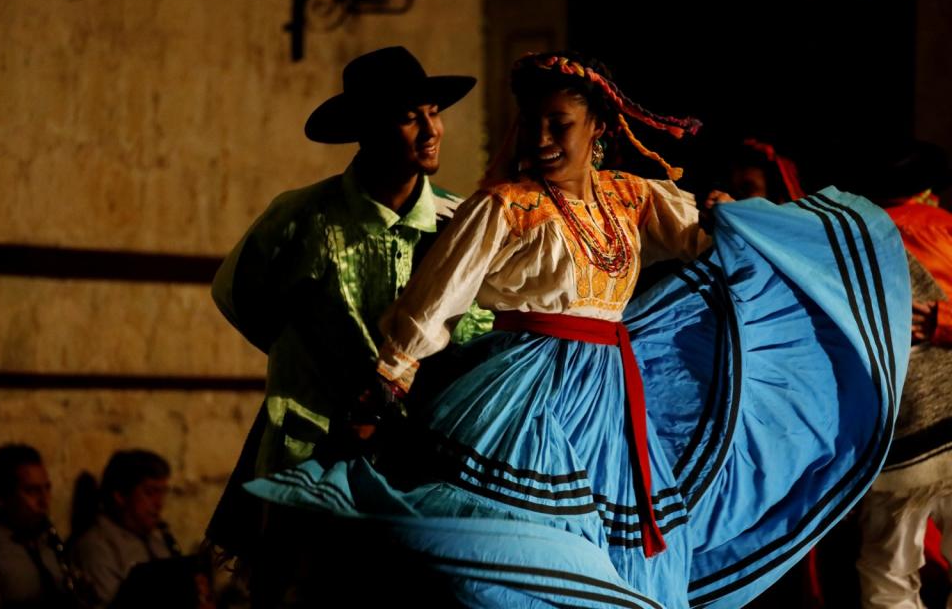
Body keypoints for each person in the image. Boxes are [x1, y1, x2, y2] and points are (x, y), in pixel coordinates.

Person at [244, 51, 911, 608]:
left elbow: (699, 243)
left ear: (599, 128)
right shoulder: (505, 206)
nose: (539, 137)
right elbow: (436, 296)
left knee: (620, 545)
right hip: (524, 389)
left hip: (615, 396)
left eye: (557, 124)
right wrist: (391, 376)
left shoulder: (632, 195)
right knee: (516, 540)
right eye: (530, 122)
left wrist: (734, 222)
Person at [204, 45, 492, 602]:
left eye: (434, 111)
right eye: (410, 116)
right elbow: (242, 301)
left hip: (418, 466)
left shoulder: (460, 224)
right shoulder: (300, 219)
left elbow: (477, 336)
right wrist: (315, 369)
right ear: (368, 129)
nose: (431, 129)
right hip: (308, 456)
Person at [856, 140, 952, 609]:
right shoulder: (945, 229)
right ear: (928, 191)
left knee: (887, 568)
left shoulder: (849, 241)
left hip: (894, 428)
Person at [71, 449, 180, 607]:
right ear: (121, 495)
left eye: (162, 493)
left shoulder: (157, 538)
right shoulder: (97, 545)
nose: (159, 503)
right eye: (149, 493)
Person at [0, 444, 79, 609]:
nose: (44, 502)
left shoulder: (48, 540)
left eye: (47, 488)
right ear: (0, 498)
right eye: (32, 491)